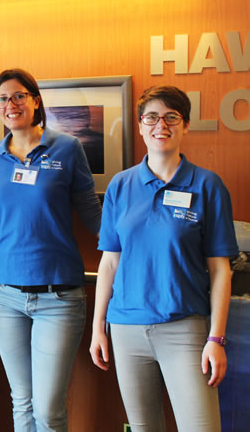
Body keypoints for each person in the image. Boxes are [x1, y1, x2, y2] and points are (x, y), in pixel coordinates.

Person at [90, 86, 238, 432]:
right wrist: (99, 327)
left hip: (185, 328)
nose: (162, 125)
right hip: (126, 329)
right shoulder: (121, 186)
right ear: (140, 126)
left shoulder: (207, 186)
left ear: (185, 125)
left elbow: (220, 271)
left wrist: (216, 339)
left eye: (172, 117)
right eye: (152, 117)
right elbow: (109, 262)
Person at [0, 68, 101, 431]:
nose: (10, 104)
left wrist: (130, 247)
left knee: (48, 410)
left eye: (19, 96)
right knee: (22, 402)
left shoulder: (67, 147)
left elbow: (91, 213)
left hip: (59, 296)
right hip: (3, 295)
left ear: (35, 100)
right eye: (2, 98)